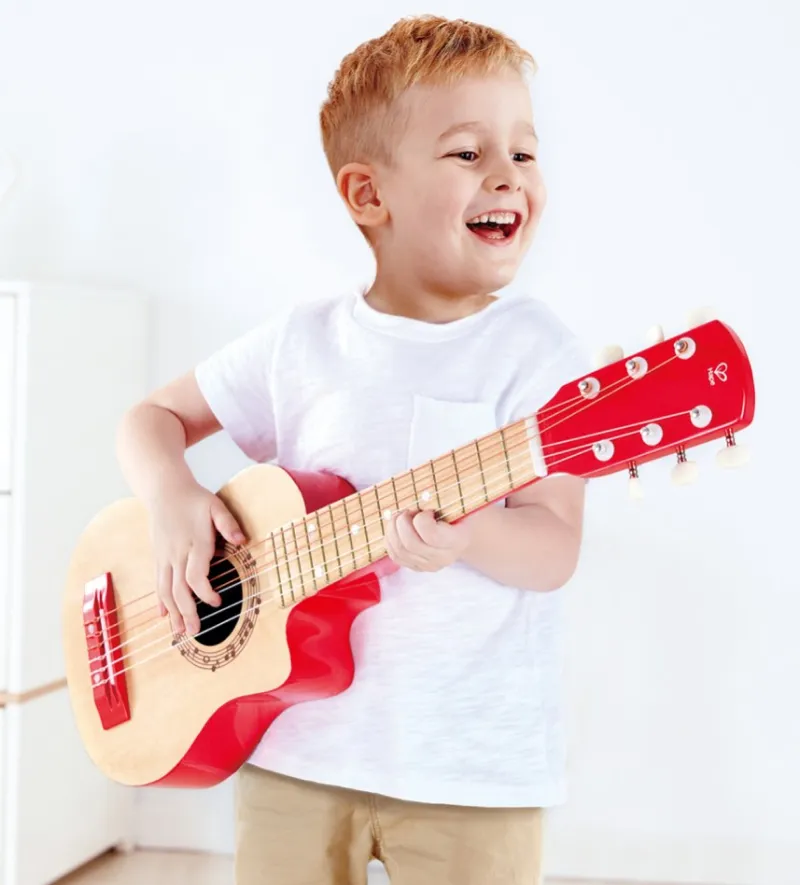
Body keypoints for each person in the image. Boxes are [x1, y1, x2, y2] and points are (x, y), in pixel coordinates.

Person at [117, 14, 591, 885]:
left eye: (525, 152)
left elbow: (555, 545)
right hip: (291, 744)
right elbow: (150, 418)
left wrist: (472, 536)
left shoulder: (537, 352)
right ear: (369, 195)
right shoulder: (301, 342)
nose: (508, 175)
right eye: (468, 152)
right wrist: (172, 496)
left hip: (468, 766)